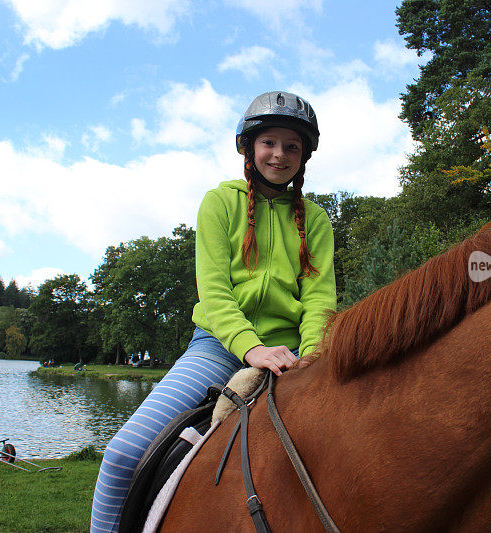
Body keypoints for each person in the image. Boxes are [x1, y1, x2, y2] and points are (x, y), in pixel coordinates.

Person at [90, 90, 336, 533]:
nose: (279, 154)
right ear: (248, 147)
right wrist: (251, 348)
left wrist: (313, 358)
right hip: (218, 349)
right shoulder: (219, 203)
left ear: (304, 156)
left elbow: (319, 299)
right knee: (122, 455)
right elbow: (215, 292)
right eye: (269, 143)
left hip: (294, 358)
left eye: (292, 146)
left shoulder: (316, 220)